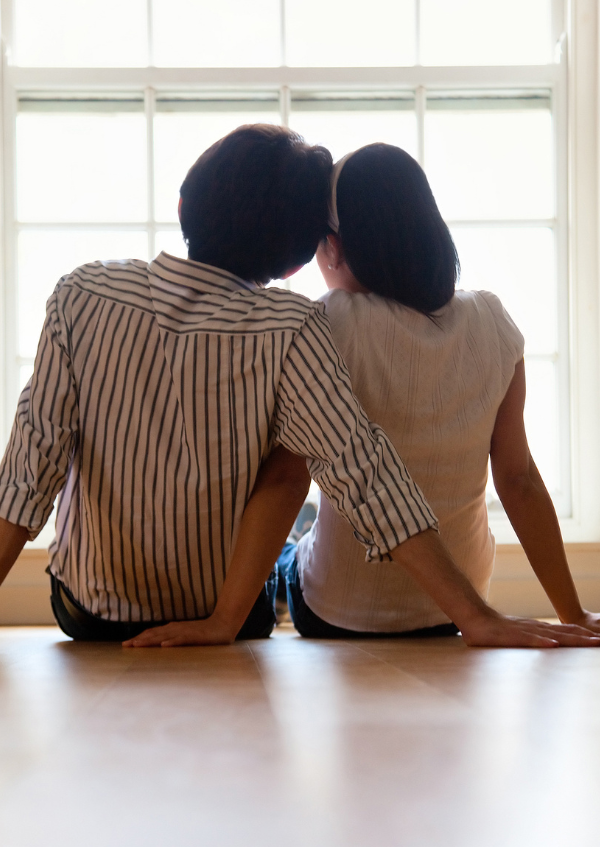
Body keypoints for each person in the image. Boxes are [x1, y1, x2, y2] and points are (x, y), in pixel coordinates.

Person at [0, 126, 597, 650]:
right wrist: (479, 616)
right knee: (291, 506)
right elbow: (373, 472)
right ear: (291, 265)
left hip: (88, 612)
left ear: (183, 205)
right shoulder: (299, 327)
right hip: (248, 611)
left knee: (293, 529)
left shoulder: (79, 295)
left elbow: (31, 468)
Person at [277, 142, 600, 640]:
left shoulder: (325, 322)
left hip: (335, 610)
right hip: (458, 607)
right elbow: (519, 480)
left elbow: (287, 476)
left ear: (335, 246)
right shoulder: (492, 320)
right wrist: (572, 613)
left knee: (289, 551)